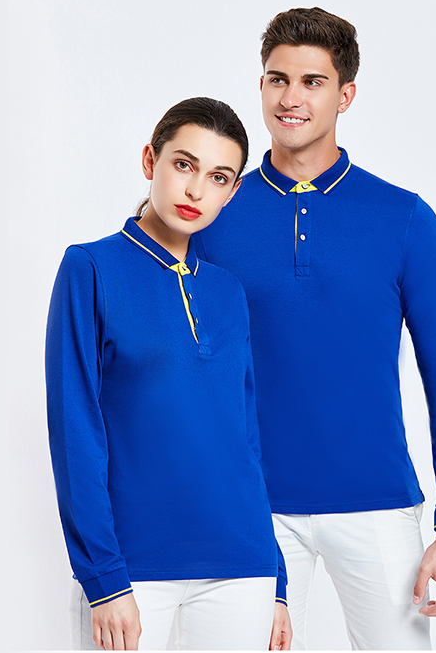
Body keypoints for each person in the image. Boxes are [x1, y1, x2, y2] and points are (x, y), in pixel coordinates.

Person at [194, 8, 436, 651]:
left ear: (345, 95)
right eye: (278, 79)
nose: (290, 98)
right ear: (260, 85)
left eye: (312, 82)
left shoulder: (403, 219)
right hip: (249, 506)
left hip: (377, 504)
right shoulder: (214, 213)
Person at [45, 97, 292, 651]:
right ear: (149, 160)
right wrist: (104, 579)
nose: (196, 190)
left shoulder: (228, 291)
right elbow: (74, 431)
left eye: (218, 177)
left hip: (242, 566)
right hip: (132, 569)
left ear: (232, 192)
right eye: (184, 165)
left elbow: (245, 440)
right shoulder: (90, 268)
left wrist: (276, 579)